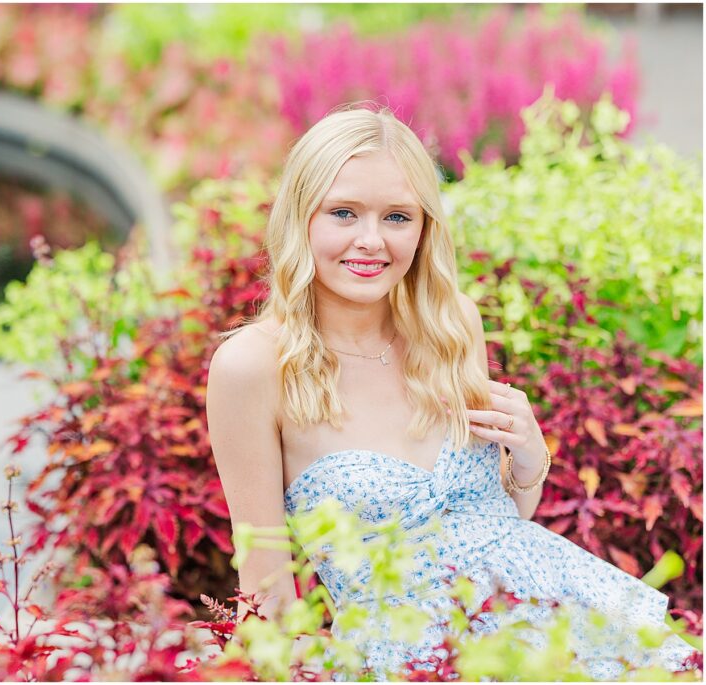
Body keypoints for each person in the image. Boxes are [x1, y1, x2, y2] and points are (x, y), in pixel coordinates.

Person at [205, 103, 700, 680]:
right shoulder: (252, 367)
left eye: (397, 217)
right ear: (300, 218)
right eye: (343, 213)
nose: (371, 241)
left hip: (562, 616)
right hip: (418, 663)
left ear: (423, 226)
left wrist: (530, 458)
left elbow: (496, 522)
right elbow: (266, 594)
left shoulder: (451, 324)